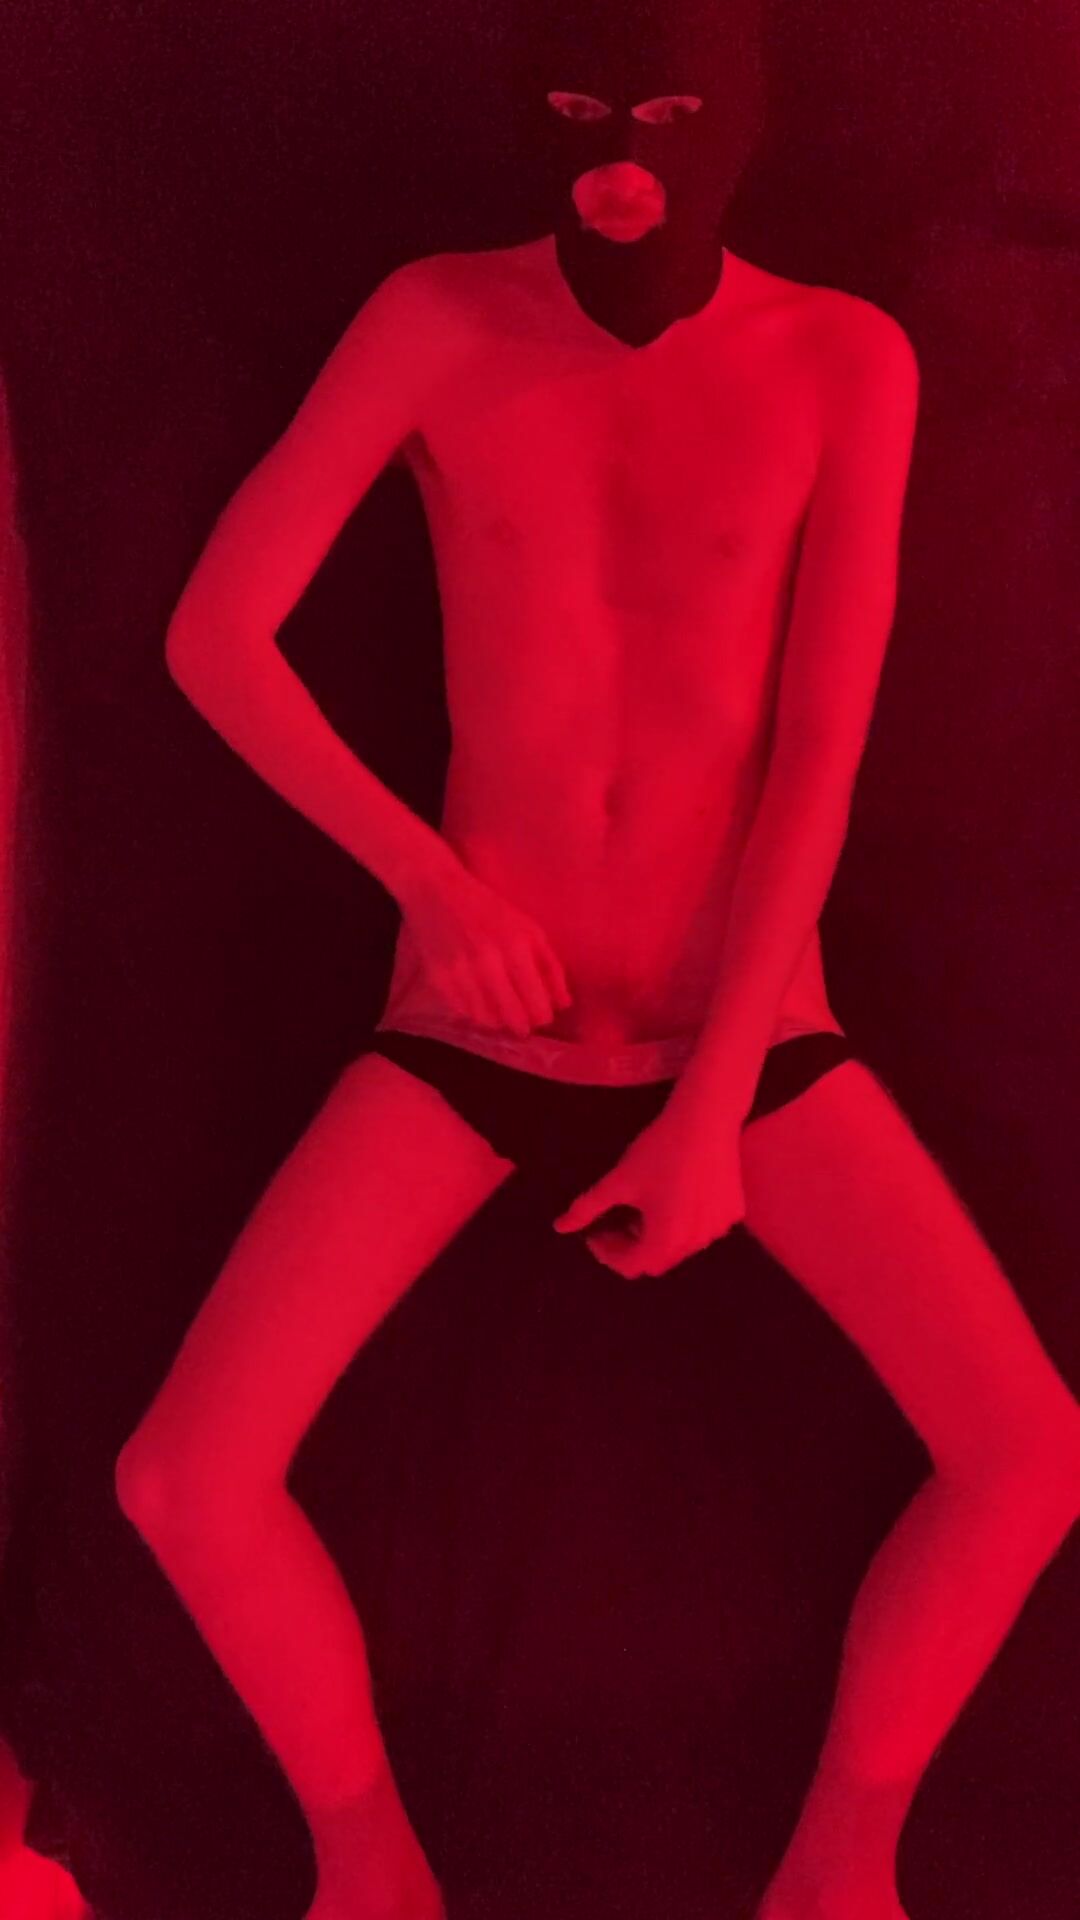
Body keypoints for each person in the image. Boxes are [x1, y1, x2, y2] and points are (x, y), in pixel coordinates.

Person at [114, 4, 1080, 1918]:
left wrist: (716, 1107)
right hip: (479, 1016)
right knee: (183, 1478)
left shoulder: (842, 355)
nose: (623, 159)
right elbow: (214, 638)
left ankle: (843, 1861)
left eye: (666, 114)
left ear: (738, 128)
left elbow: (821, 749)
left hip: (751, 1028)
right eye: (579, 110)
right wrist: (433, 884)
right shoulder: (435, 318)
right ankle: (369, 1864)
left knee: (1030, 1457)